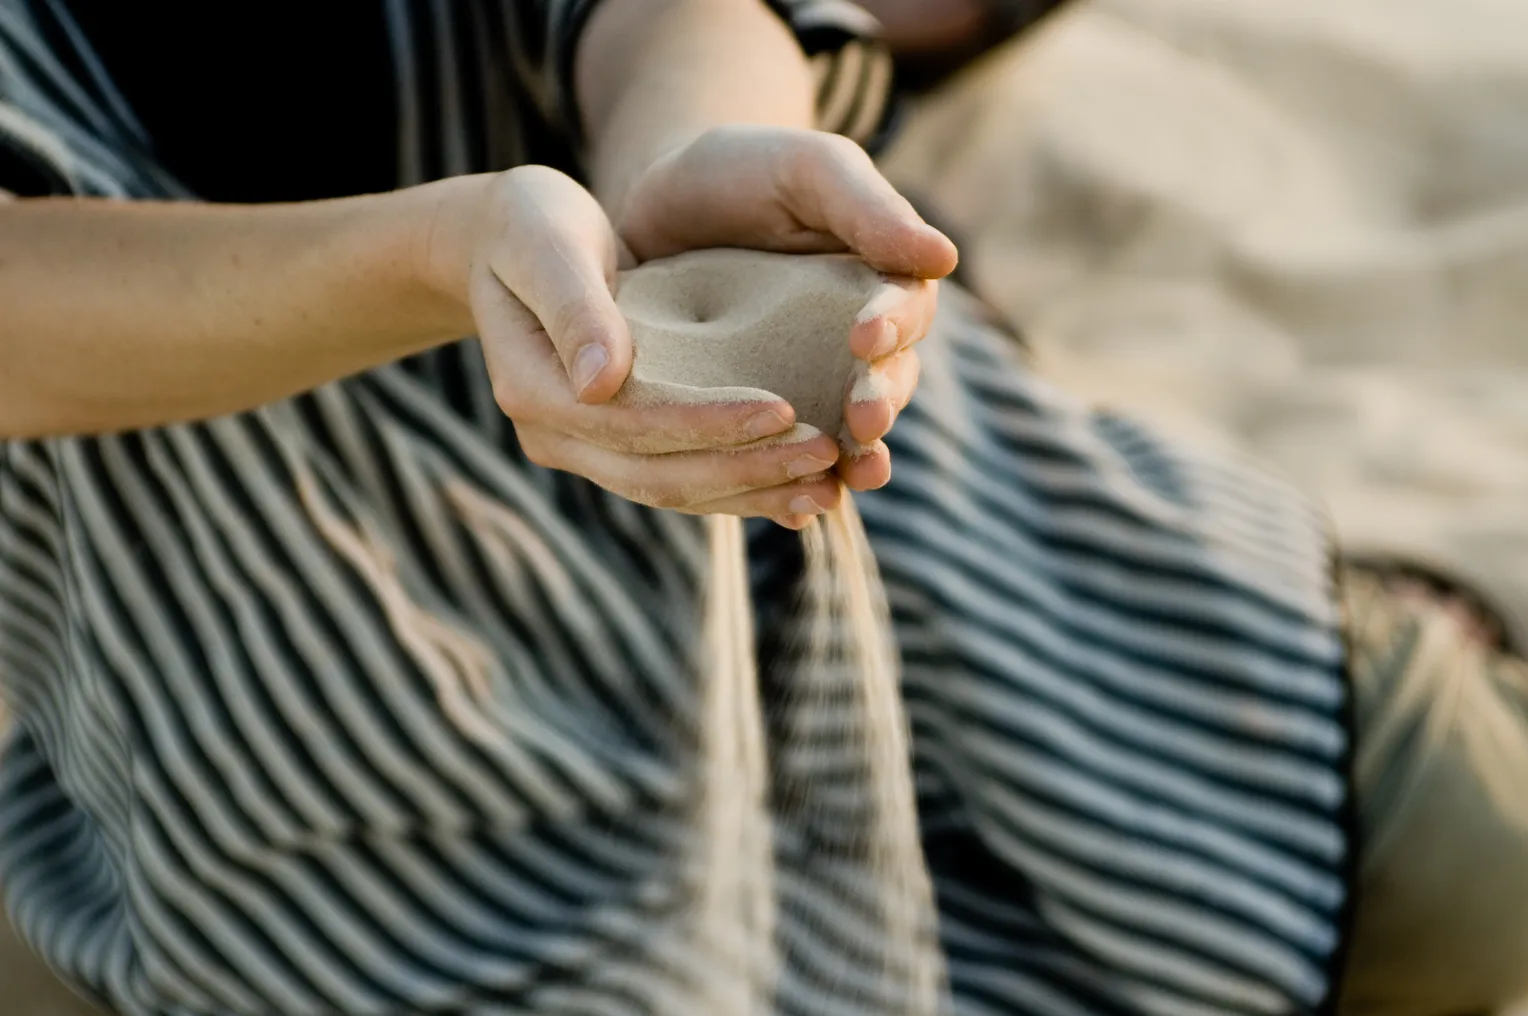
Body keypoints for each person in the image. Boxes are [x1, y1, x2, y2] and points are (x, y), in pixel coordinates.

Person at [0, 1, 1512, 1015]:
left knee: (1478, 861)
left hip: (1067, 637)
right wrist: (446, 255)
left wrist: (684, 166)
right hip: (405, 844)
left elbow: (681, 13)